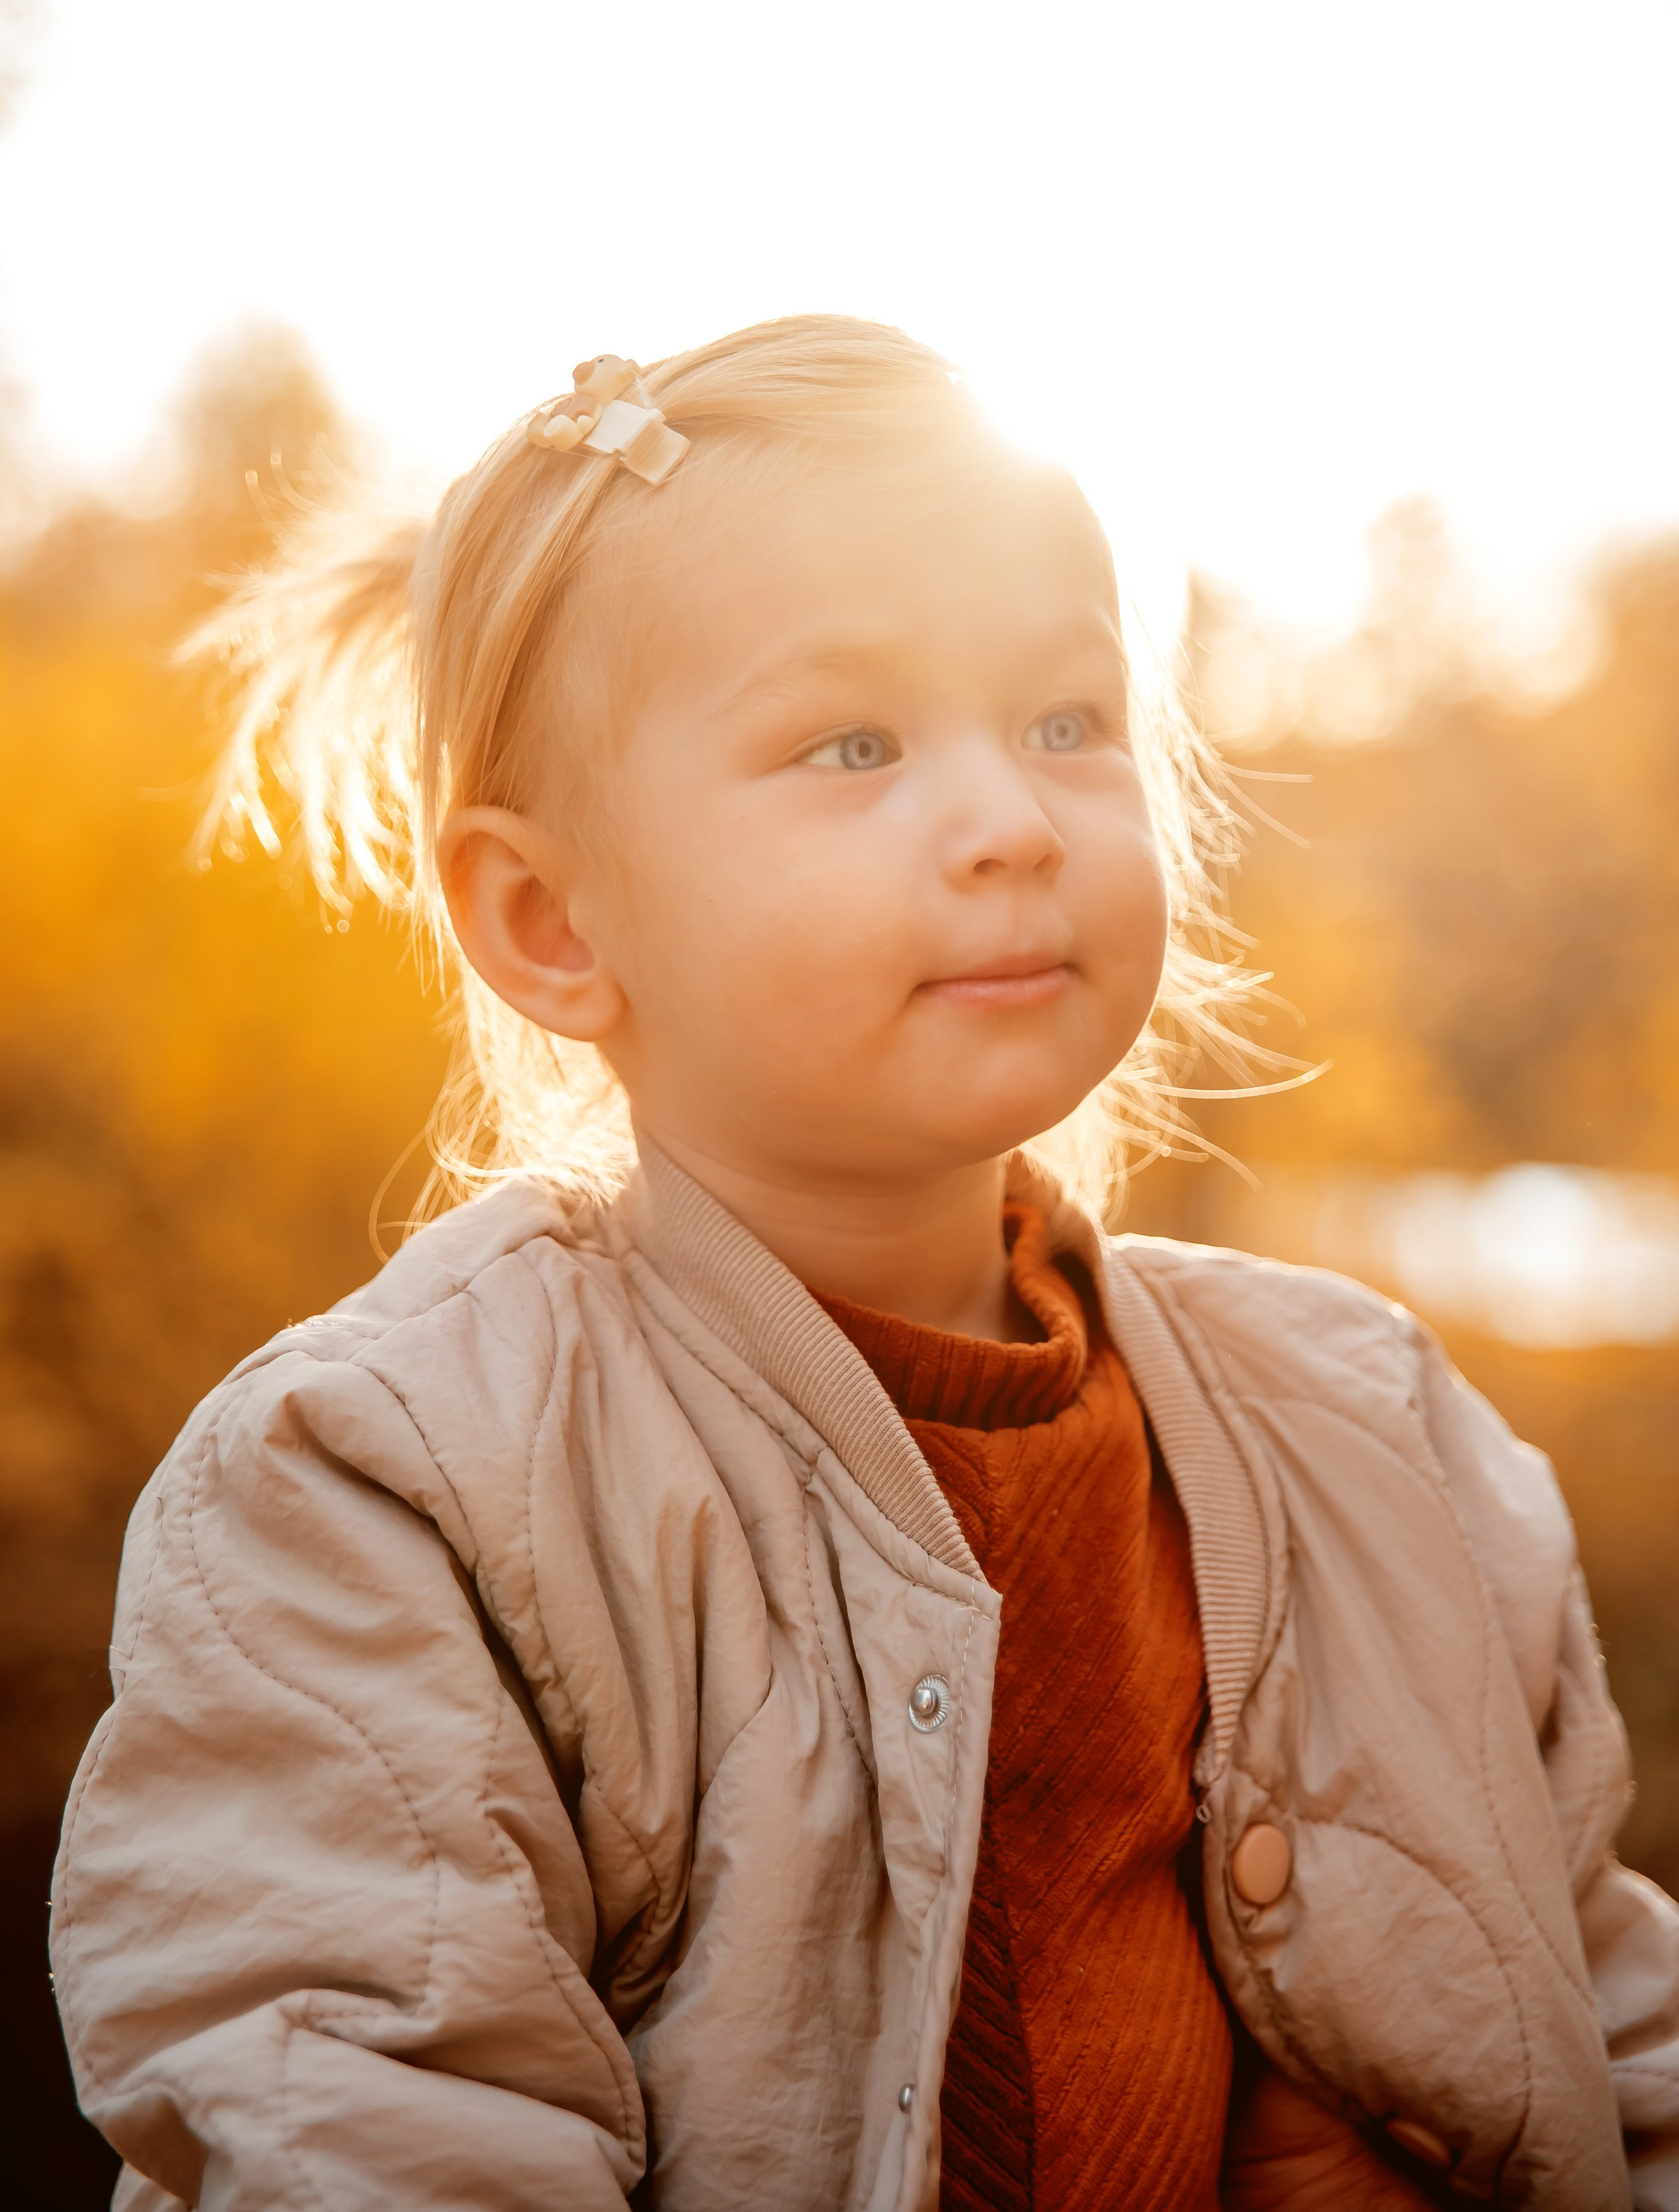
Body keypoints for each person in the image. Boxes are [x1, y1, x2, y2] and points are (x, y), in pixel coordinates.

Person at [51, 318, 1679, 2211]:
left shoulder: (1378, 1429)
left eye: (1069, 720)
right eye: (854, 742)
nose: (1009, 821)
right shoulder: (382, 1484)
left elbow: (1618, 2039)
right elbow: (356, 2117)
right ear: (552, 917)